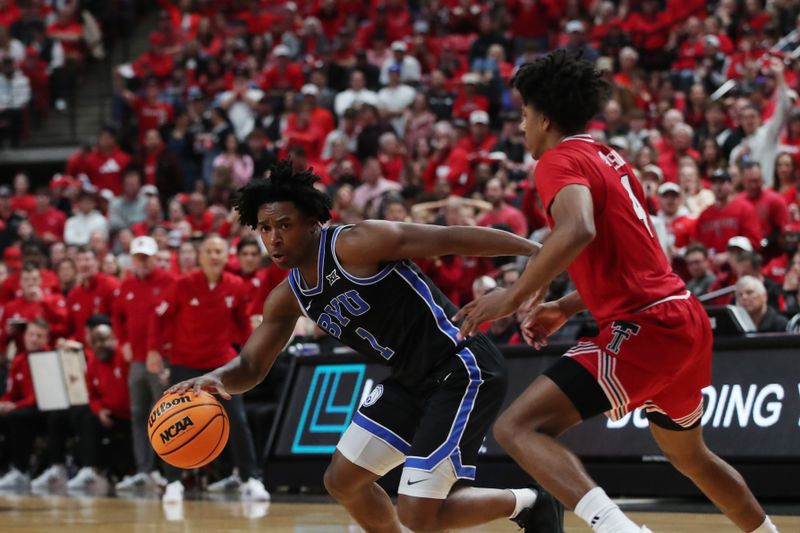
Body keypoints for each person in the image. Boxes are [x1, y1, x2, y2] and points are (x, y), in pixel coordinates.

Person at [454, 51, 778, 533]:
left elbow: (578, 228)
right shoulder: (611, 158)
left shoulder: (558, 160)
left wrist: (512, 296)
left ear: (545, 118)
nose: (521, 126)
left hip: (646, 325)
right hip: (680, 316)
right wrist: (566, 305)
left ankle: (619, 530)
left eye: (524, 114)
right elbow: (638, 259)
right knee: (692, 458)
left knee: (517, 427)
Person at [167, 160, 563, 532]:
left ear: (312, 222)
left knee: (418, 514)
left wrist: (537, 253)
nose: (274, 238)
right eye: (265, 228)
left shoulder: (357, 243)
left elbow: (451, 238)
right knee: (342, 480)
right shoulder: (286, 298)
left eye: (284, 225)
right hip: (409, 381)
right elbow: (251, 367)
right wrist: (216, 380)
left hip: (460, 365)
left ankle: (532, 503)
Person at [150, 236, 269, 503]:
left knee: (237, 421)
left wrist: (249, 357)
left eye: (219, 251)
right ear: (200, 256)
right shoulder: (182, 285)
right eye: (209, 251)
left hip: (222, 367)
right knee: (174, 422)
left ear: (226, 256)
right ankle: (173, 482)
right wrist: (154, 350)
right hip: (184, 364)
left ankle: (250, 478)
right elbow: (159, 317)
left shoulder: (236, 285)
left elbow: (243, 324)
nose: (214, 255)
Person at [111, 236, 174, 491]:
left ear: (155, 257)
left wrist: (161, 350)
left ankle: (168, 473)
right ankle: (144, 470)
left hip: (162, 359)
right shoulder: (126, 285)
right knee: (138, 414)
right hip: (136, 360)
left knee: (163, 415)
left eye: (146, 258)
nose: (142, 262)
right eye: (138, 258)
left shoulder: (170, 282)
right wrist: (122, 342)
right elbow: (116, 316)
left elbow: (173, 320)